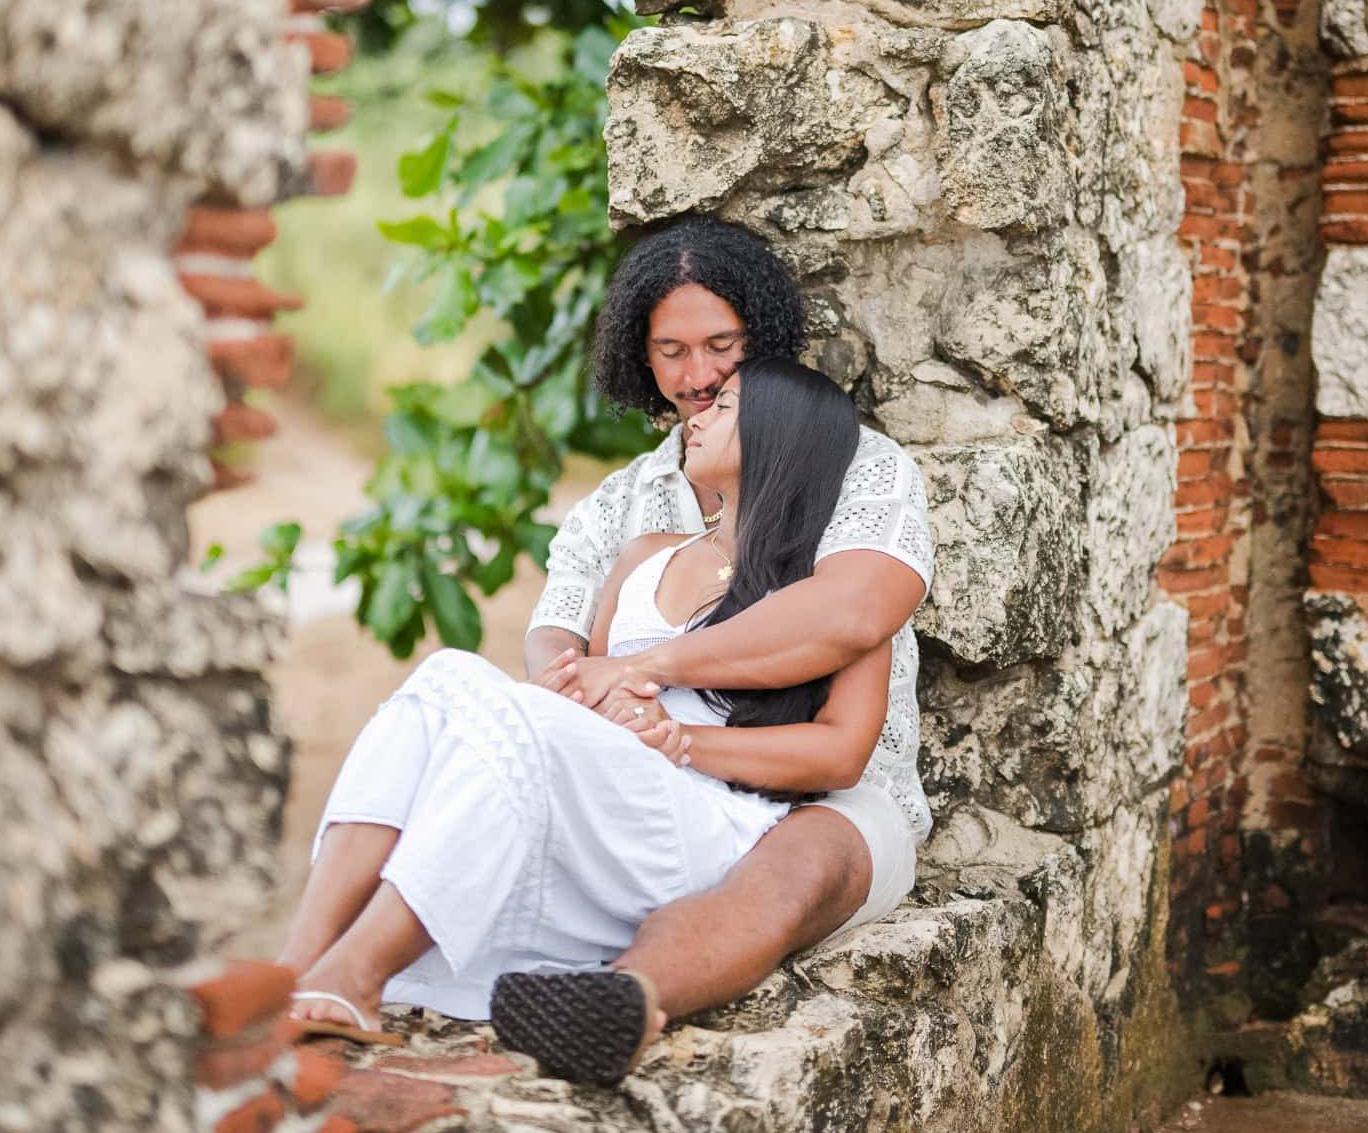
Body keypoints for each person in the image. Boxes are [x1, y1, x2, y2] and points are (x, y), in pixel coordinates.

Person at [278, 360, 910, 1084]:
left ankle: (355, 976)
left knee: (512, 709)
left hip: (714, 826)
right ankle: (297, 966)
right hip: (613, 811)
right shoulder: (645, 557)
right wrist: (594, 701)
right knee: (447, 673)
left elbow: (840, 755)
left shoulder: (824, 592)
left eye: (725, 405)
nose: (694, 417)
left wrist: (681, 742)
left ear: (781, 438)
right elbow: (592, 696)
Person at [506, 216, 933, 1074]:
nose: (696, 377)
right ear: (640, 355)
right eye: (670, 351)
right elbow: (557, 627)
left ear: (762, 336)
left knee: (789, 869)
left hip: (829, 792)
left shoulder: (859, 464)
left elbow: (850, 611)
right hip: (651, 775)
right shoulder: (628, 503)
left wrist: (643, 670)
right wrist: (583, 686)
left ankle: (625, 1001)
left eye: (721, 346)